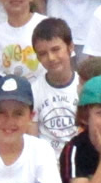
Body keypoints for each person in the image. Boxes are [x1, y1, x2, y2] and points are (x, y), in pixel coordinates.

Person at [29, 18, 82, 150]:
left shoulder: (84, 86)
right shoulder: (34, 90)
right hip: (46, 159)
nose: (51, 58)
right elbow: (32, 139)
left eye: (56, 49)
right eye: (43, 53)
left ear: (70, 47)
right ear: (37, 57)